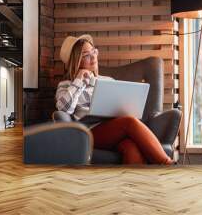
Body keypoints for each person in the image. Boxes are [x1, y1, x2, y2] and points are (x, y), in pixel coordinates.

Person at [55, 34, 173, 165]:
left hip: (114, 129)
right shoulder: (66, 85)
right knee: (129, 122)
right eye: (87, 55)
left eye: (94, 51)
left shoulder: (108, 81)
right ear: (76, 61)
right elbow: (64, 109)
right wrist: (78, 81)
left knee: (130, 147)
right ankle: (167, 164)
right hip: (89, 132)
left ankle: (133, 184)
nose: (93, 57)